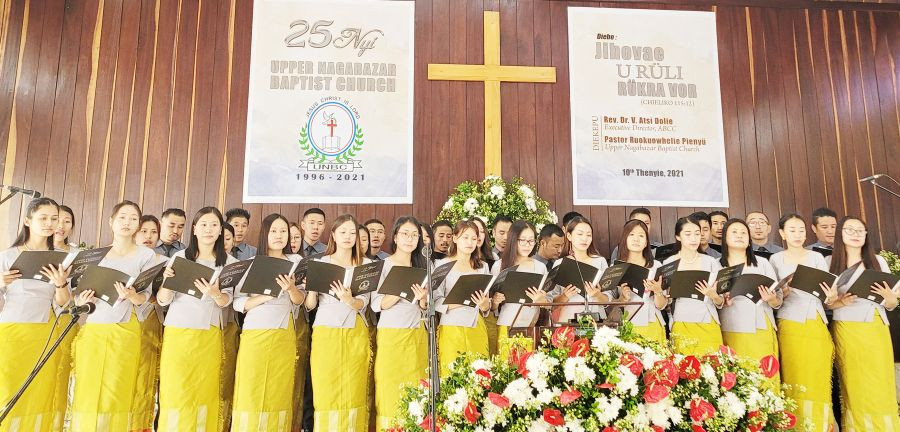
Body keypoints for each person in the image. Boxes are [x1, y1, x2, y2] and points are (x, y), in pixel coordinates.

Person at [71, 201, 156, 431]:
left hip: (126, 328)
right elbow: (77, 298)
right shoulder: (92, 255)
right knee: (89, 386)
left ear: (138, 224)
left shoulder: (147, 256)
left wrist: (131, 295)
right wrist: (82, 300)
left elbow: (146, 298)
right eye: (122, 217)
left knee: (118, 386)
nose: (127, 222)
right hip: (95, 327)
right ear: (111, 222)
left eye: (133, 218)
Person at [156, 207, 236, 431]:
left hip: (209, 333)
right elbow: (163, 301)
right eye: (203, 225)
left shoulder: (228, 262)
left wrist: (215, 293)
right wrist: (166, 282)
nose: (208, 230)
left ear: (221, 230)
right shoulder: (180, 257)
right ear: (194, 229)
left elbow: (226, 302)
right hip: (179, 331)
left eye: (213, 225)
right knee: (176, 388)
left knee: (204, 388)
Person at [0, 198, 71, 432]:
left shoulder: (61, 256)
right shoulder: (7, 255)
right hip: (12, 331)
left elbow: (63, 302)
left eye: (54, 218)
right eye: (44, 218)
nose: (50, 224)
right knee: (9, 389)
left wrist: (61, 284)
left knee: (39, 390)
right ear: (28, 221)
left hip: (45, 331)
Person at [231, 213, 306, 430]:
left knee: (278, 389)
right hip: (256, 334)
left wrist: (291, 288)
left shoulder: (296, 262)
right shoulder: (251, 263)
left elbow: (300, 300)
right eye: (274, 231)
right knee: (252, 388)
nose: (279, 236)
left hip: (284, 333)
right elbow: (237, 303)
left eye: (284, 231)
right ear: (265, 234)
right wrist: (266, 296)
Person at [827, 216, 900, 430]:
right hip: (846, 328)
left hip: (875, 326)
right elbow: (826, 305)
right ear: (840, 234)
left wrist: (889, 297)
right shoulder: (830, 263)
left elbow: (892, 303)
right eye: (850, 230)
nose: (856, 234)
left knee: (880, 380)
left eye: (860, 230)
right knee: (854, 381)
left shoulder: (879, 261)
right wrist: (839, 300)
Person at [304, 214, 372, 431]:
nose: (348, 237)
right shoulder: (321, 263)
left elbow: (364, 303)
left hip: (355, 329)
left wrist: (349, 299)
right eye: (343, 232)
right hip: (326, 330)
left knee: (353, 386)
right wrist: (312, 289)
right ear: (333, 234)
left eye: (353, 233)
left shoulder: (367, 264)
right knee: (327, 386)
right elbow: (309, 305)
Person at [770, 213, 837, 431]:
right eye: (792, 230)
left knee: (818, 373)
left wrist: (830, 293)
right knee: (795, 374)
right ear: (782, 234)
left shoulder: (816, 257)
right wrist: (783, 291)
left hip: (815, 319)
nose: (797, 235)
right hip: (789, 321)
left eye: (801, 230)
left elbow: (827, 291)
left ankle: (820, 424)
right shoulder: (775, 259)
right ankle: (796, 425)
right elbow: (774, 294)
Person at [370, 216, 429, 430]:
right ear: (395, 237)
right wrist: (398, 291)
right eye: (405, 234)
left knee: (418, 386)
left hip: (417, 334)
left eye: (414, 235)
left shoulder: (423, 266)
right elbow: (376, 304)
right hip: (391, 335)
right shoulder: (384, 265)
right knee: (390, 387)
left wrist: (423, 298)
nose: (410, 239)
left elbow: (427, 308)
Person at [717, 219, 781, 387]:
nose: (740, 236)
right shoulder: (716, 265)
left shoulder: (762, 263)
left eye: (743, 233)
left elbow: (778, 300)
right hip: (730, 327)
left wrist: (771, 298)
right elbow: (713, 301)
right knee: (737, 381)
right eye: (734, 232)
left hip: (760, 326)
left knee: (763, 378)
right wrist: (722, 300)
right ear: (725, 238)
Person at [434, 220, 491, 376]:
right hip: (452, 326)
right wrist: (459, 300)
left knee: (479, 374)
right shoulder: (441, 265)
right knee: (452, 374)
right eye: (465, 237)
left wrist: (485, 304)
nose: (470, 242)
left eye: (474, 238)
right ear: (455, 238)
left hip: (476, 325)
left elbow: (486, 304)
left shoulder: (482, 267)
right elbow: (435, 300)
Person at [664, 215, 724, 356]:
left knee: (713, 369)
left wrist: (713, 295)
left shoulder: (711, 262)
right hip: (681, 321)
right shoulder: (669, 263)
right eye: (688, 234)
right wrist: (668, 295)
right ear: (678, 236)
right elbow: (663, 303)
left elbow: (721, 301)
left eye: (697, 234)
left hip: (708, 322)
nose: (694, 238)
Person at [490, 220, 548, 357]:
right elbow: (491, 308)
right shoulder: (499, 266)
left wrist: (541, 300)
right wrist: (495, 302)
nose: (527, 245)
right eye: (523, 240)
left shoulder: (539, 267)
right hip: (507, 324)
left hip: (531, 325)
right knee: (508, 369)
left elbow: (548, 303)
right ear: (513, 240)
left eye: (531, 241)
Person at [551, 216, 615, 322]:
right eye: (580, 234)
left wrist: (597, 294)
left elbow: (609, 299)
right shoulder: (560, 263)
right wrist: (565, 296)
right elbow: (552, 302)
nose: (584, 239)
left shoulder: (600, 261)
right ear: (569, 236)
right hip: (568, 321)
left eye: (588, 235)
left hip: (597, 321)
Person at [614, 220, 667, 343]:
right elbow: (609, 305)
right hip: (627, 326)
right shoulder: (616, 268)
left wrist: (658, 291)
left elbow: (662, 305)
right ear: (624, 239)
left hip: (653, 324)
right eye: (631, 235)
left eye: (641, 236)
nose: (636, 239)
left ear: (646, 243)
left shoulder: (656, 266)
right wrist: (622, 298)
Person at [471, 217, 498, 355]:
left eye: (482, 231)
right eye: (475, 231)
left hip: (490, 314)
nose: (478, 235)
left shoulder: (493, 260)